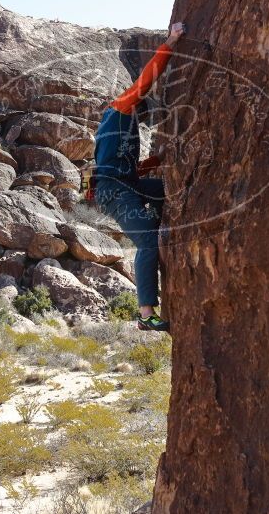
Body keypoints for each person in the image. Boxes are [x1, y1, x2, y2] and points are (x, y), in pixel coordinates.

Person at [93, 22, 185, 331]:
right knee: (146, 244)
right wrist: (170, 42)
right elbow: (145, 81)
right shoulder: (119, 109)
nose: (141, 119)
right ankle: (146, 315)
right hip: (114, 191)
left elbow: (128, 168)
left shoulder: (125, 128)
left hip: (126, 183)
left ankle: (158, 229)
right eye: (141, 113)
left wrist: (157, 160)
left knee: (161, 188)